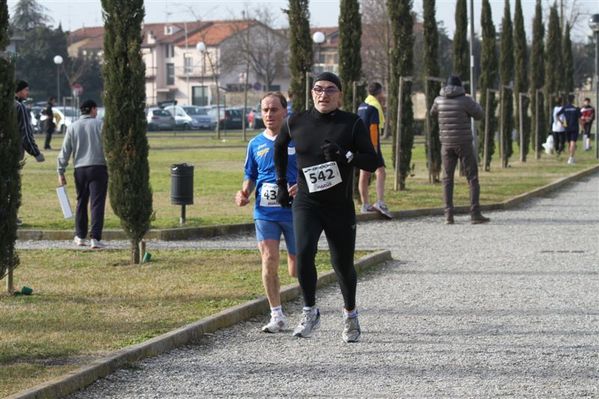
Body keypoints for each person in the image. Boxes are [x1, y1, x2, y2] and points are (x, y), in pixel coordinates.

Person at [274, 72, 378, 343]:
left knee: (342, 265)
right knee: (303, 253)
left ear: (340, 95)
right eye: (318, 89)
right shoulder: (295, 121)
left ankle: (350, 314)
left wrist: (346, 155)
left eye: (330, 89)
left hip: (339, 206)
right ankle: (310, 310)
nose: (324, 94)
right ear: (311, 93)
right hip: (307, 203)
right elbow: (278, 147)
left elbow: (372, 160)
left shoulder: (352, 123)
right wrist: (282, 183)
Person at [235, 92, 298, 333]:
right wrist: (243, 193)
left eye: (274, 109)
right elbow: (250, 175)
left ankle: (309, 306)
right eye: (265, 110)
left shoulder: (296, 140)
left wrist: (300, 185)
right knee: (269, 260)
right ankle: (277, 315)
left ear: (285, 112)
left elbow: (309, 169)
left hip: (294, 211)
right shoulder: (255, 144)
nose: (269, 114)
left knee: (296, 269)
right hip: (265, 212)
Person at [430, 75, 489, 225]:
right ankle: (475, 214)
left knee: (447, 179)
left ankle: (448, 215)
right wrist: (470, 99)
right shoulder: (465, 100)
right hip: (464, 143)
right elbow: (479, 115)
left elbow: (432, 113)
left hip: (446, 144)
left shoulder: (438, 100)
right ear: (460, 86)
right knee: (472, 178)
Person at [57, 100, 108, 249]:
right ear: (92, 109)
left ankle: (80, 236)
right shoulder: (100, 125)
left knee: (81, 202)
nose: (96, 112)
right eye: (95, 109)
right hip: (98, 167)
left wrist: (60, 170)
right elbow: (108, 147)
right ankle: (95, 238)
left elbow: (65, 151)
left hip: (80, 169)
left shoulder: (72, 127)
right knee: (97, 203)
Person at [357, 82, 391, 218]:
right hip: (371, 145)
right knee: (381, 172)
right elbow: (373, 129)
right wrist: (375, 149)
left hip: (360, 145)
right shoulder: (374, 107)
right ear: (380, 92)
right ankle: (380, 202)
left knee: (364, 174)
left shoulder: (362, 106)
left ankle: (365, 205)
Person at [15, 80, 45, 226]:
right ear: (18, 91)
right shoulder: (19, 107)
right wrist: (35, 153)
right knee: (12, 185)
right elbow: (25, 133)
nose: (28, 93)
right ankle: (10, 216)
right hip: (13, 153)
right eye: (26, 90)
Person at [557, 94, 581, 165]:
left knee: (569, 142)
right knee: (573, 142)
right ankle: (571, 157)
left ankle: (570, 157)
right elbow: (580, 119)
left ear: (567, 100)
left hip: (567, 127)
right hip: (574, 127)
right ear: (573, 100)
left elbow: (557, 115)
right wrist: (582, 127)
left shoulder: (565, 107)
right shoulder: (576, 108)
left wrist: (561, 122)